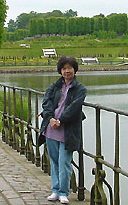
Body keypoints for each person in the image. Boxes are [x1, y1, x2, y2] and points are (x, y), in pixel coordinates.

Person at [38, 56, 87, 204]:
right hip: (51, 129)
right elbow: (46, 103)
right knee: (54, 161)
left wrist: (61, 121)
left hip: (68, 130)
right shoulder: (54, 86)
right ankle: (55, 190)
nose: (67, 71)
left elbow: (74, 108)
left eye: (69, 68)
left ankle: (63, 192)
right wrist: (51, 119)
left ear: (74, 70)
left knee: (65, 162)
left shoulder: (80, 89)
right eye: (64, 68)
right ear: (60, 70)